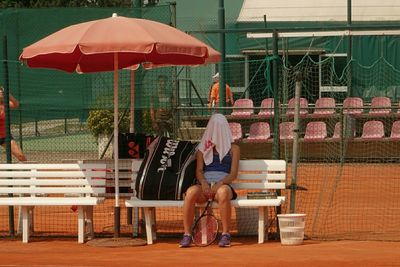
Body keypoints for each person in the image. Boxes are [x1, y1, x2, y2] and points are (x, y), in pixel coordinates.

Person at [179, 113, 240, 248]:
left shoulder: (234, 149)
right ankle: (187, 234)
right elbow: (199, 171)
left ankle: (225, 234)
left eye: (219, 127)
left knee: (224, 193)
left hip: (223, 186)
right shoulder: (202, 149)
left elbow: (233, 174)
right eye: (214, 127)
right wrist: (204, 183)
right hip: (204, 186)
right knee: (190, 193)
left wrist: (220, 184)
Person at [0, 86, 26, 162]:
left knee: (21, 156)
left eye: (2, 92)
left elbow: (16, 104)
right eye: (0, 92)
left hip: (5, 137)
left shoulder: (5, 104)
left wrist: (8, 94)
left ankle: (30, 172)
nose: (1, 93)